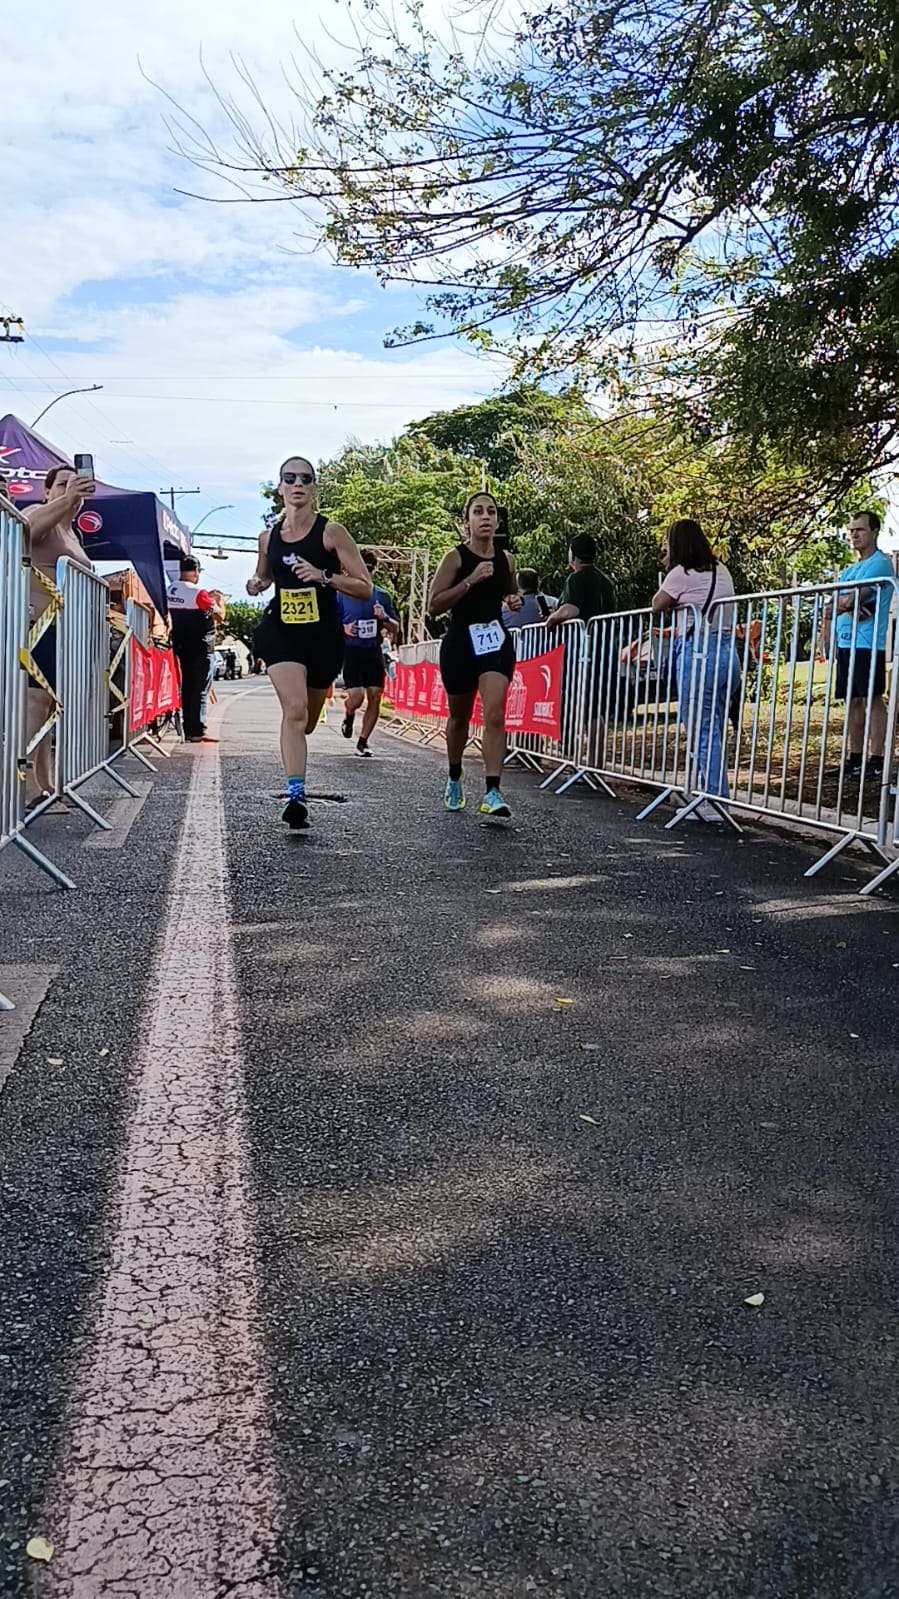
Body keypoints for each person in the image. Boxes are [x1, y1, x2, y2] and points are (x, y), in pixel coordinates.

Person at [247, 455, 372, 828]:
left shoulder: (331, 532)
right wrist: (256, 584)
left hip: (322, 636)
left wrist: (323, 576)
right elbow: (264, 576)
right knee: (295, 710)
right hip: (281, 630)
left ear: (314, 488)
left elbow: (364, 587)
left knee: (308, 722)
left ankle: (296, 774)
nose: (297, 484)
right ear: (280, 488)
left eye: (305, 478)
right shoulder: (268, 537)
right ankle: (295, 797)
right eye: (290, 478)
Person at [428, 490, 522, 817]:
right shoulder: (455, 558)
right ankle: (455, 774)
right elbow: (434, 605)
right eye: (478, 512)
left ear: (497, 521)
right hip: (460, 642)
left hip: (494, 640)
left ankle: (493, 791)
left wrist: (513, 600)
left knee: (494, 712)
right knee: (459, 717)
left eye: (491, 512)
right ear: (466, 521)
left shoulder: (506, 560)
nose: (485, 517)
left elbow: (511, 592)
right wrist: (469, 580)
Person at [652, 518, 738, 818]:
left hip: (699, 652)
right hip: (727, 652)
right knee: (713, 728)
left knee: (702, 730)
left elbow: (657, 604)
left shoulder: (681, 573)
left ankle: (714, 800)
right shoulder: (721, 570)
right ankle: (711, 795)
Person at [23, 464, 98, 802]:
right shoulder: (38, 513)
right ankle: (23, 787)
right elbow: (25, 531)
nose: (72, 488)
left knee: (49, 706)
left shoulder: (73, 534)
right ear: (47, 491)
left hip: (63, 630)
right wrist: (66, 500)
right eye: (63, 484)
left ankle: (45, 782)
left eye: (76, 483)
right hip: (35, 625)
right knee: (34, 701)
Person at [827, 510, 893, 780]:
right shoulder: (849, 570)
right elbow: (832, 604)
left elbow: (850, 600)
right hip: (846, 641)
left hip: (868, 643)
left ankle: (877, 759)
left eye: (860, 530)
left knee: (872, 698)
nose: (854, 535)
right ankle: (854, 759)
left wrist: (846, 604)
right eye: (851, 530)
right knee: (853, 700)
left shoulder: (880, 564)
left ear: (874, 532)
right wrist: (846, 605)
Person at [339, 549, 400, 755]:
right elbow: (327, 623)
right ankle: (349, 713)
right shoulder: (341, 594)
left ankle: (363, 741)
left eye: (369, 569)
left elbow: (395, 628)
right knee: (356, 698)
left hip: (373, 650)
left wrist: (384, 617)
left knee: (375, 695)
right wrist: (343, 628)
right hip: (351, 651)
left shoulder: (382, 596)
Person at [168, 557, 226, 743]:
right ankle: (197, 730)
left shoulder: (169, 591)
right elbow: (217, 616)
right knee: (200, 689)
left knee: (187, 688)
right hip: (201, 647)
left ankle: (188, 729)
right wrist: (219, 601)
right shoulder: (198, 593)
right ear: (195, 572)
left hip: (180, 645)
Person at [544, 535, 616, 626]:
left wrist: (551, 619)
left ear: (572, 554)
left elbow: (569, 611)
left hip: (584, 632)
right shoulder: (606, 580)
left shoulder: (576, 578)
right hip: (606, 632)